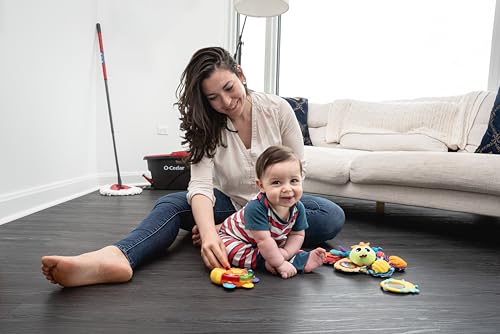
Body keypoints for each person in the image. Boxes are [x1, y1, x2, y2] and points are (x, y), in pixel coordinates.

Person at [41, 46, 345, 287]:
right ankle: (118, 257)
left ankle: (238, 236)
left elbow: (296, 170)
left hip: (277, 208)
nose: (225, 101)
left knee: (330, 216)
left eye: (229, 87)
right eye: (213, 97)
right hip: (230, 207)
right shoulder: (205, 125)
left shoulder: (278, 109)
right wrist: (212, 236)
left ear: (240, 73)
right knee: (172, 204)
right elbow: (200, 185)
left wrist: (231, 224)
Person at [220, 145, 326, 279]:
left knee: (283, 246)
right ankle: (266, 262)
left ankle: (301, 259)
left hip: (270, 240)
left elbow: (297, 235)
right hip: (236, 238)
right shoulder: (256, 208)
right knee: (229, 250)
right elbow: (263, 241)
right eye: (277, 183)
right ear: (261, 186)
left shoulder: (298, 208)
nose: (287, 189)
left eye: (294, 181)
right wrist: (280, 262)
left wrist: (286, 253)